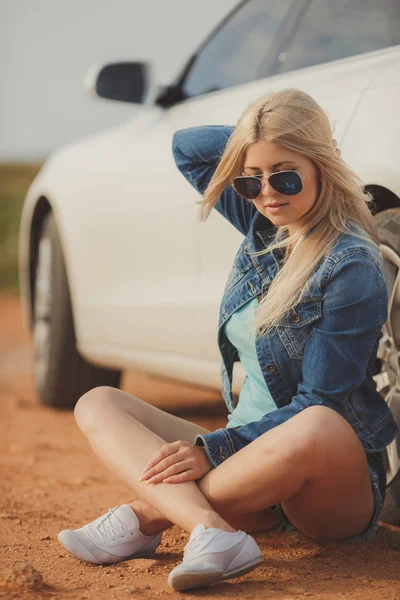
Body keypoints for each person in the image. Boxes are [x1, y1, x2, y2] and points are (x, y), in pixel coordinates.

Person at [57, 88, 398, 592]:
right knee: (98, 401)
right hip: (246, 471)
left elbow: (319, 402)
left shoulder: (352, 265)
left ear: (324, 164)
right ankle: (212, 528)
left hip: (323, 485)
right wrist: (257, 132)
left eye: (285, 175)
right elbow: (187, 146)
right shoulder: (265, 225)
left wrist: (213, 450)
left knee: (318, 423)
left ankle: (147, 516)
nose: (268, 193)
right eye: (249, 180)